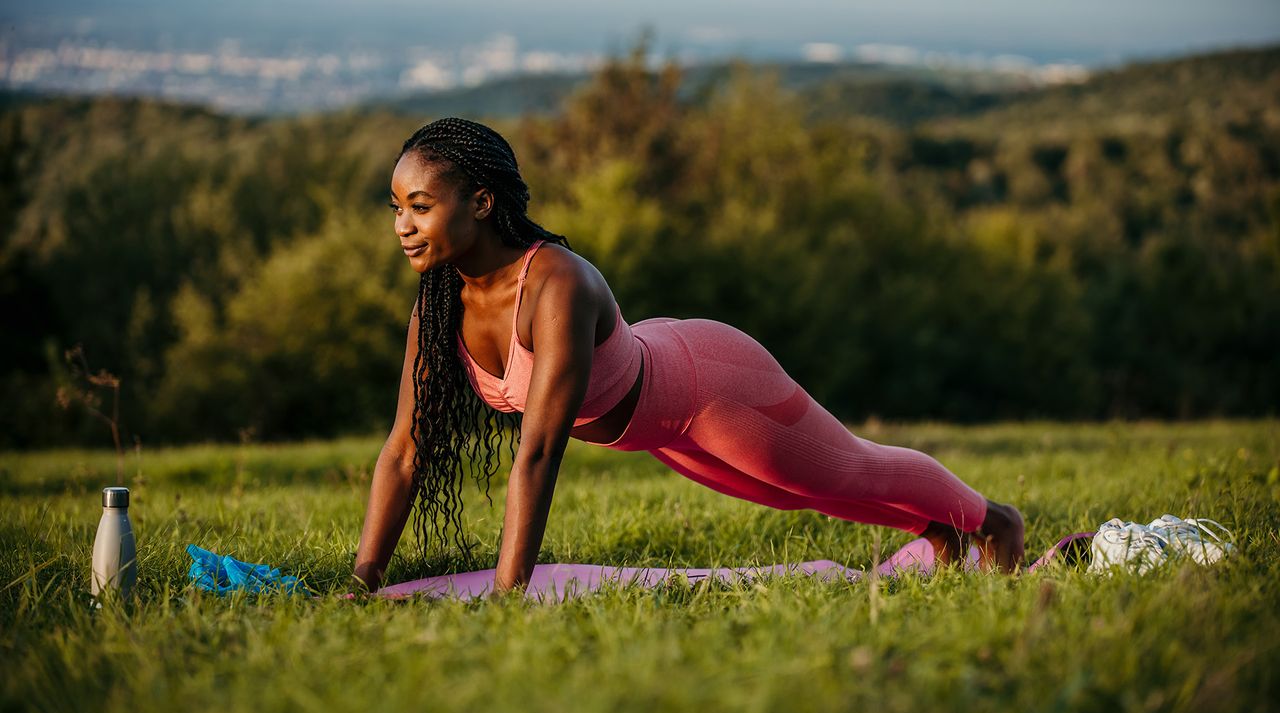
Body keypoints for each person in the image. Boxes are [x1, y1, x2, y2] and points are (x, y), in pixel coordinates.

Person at [352, 117, 1025, 594]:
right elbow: (405, 450)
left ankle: (993, 521)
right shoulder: (438, 305)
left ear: (480, 201)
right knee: (797, 496)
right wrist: (363, 582)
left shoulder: (560, 284)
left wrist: (508, 596)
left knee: (843, 473)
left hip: (710, 388)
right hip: (656, 429)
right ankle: (944, 534)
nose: (402, 226)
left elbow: (537, 452)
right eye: (395, 207)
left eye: (419, 206)